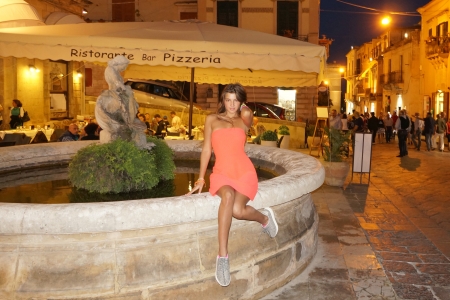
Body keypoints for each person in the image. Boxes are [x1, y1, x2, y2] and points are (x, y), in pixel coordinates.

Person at [187, 83, 278, 287]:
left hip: (244, 171)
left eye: (235, 100)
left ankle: (264, 217)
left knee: (239, 210)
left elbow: (251, 116)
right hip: (221, 172)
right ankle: (223, 258)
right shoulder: (211, 119)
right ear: (222, 100)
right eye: (227, 99)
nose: (231, 104)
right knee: (227, 198)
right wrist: (201, 177)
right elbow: (206, 150)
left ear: (241, 101)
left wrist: (245, 108)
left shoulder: (244, 119)